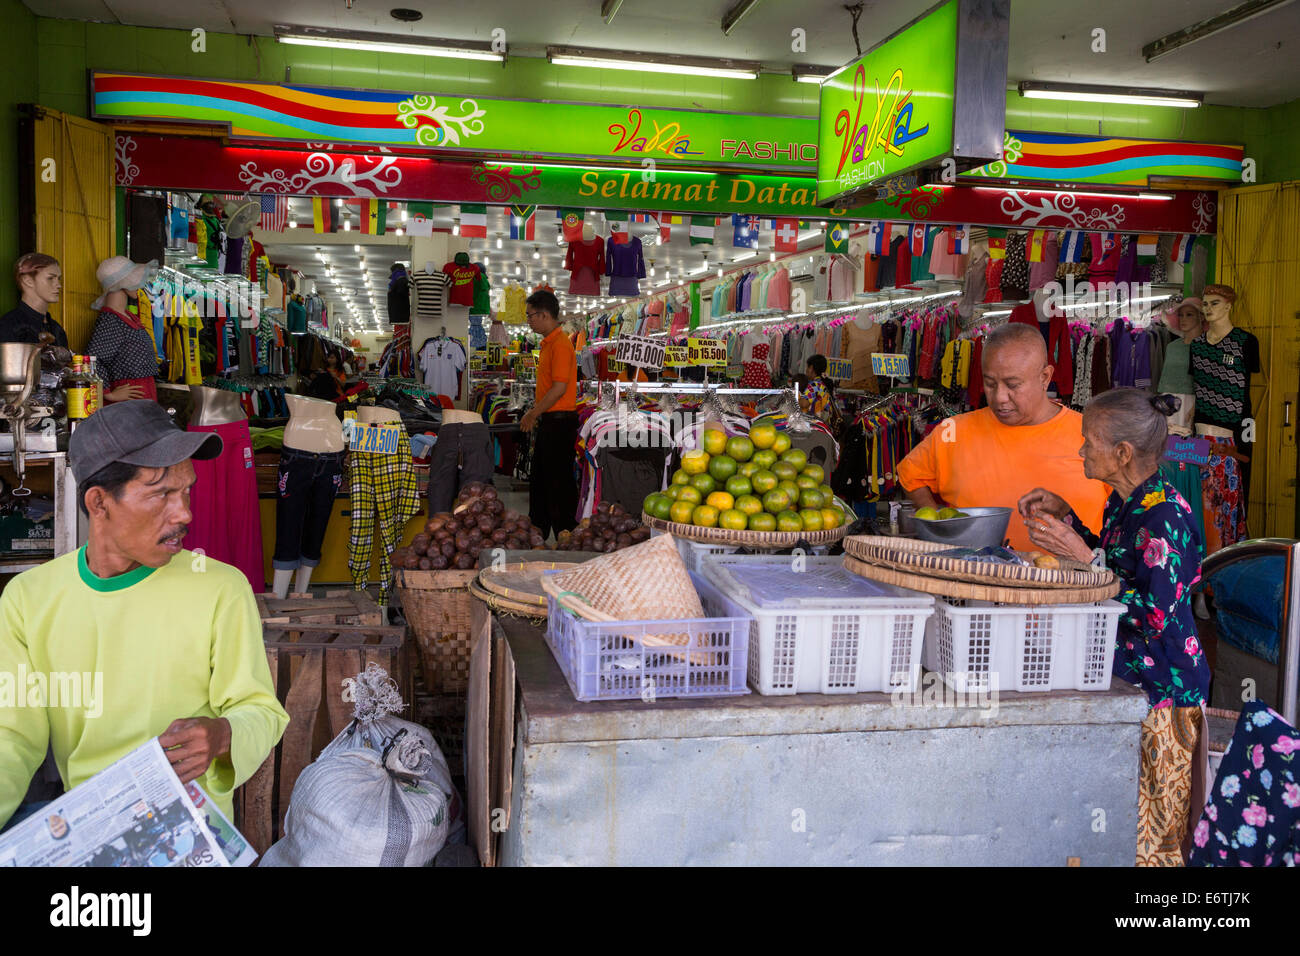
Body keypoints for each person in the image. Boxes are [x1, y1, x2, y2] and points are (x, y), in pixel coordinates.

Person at [0, 400, 289, 831]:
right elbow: (12, 735)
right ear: (99, 503)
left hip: (192, 829)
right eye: (161, 494)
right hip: (87, 826)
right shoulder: (29, 599)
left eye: (186, 490)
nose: (185, 514)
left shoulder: (220, 588)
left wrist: (223, 734)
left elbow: (260, 709)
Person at [1020, 389, 1209, 867]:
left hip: (1165, 697)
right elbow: (1114, 570)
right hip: (1129, 684)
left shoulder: (1163, 514)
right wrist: (1070, 523)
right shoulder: (1127, 504)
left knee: (1155, 840)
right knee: (1120, 826)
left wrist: (1080, 556)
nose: (1081, 451)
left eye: (1089, 442)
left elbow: (1151, 615)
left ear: (1122, 453)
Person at [897, 323, 1108, 550]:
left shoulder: (1093, 435)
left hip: (1074, 582)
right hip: (976, 579)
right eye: (990, 384)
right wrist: (941, 527)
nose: (999, 397)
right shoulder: (953, 431)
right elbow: (910, 476)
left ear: (1045, 377)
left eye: (1013, 385)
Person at [519, 289, 578, 540]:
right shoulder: (548, 344)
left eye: (530, 315)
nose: (529, 320)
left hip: (560, 422)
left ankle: (566, 535)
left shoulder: (561, 344)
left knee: (557, 483)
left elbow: (559, 388)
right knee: (542, 480)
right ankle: (539, 534)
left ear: (544, 314)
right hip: (551, 421)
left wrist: (533, 413)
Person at [87, 255, 161, 402]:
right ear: (121, 283)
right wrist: (108, 394)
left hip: (142, 394)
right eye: (134, 280)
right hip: (129, 401)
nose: (140, 285)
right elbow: (92, 360)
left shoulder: (127, 317)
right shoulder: (110, 320)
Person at [0, 253, 69, 348]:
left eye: (59, 278)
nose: (58, 285)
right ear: (27, 280)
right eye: (50, 278)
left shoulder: (57, 329)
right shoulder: (9, 326)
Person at [799, 354, 838, 424]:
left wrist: (797, 398)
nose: (806, 370)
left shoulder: (815, 385)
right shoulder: (824, 383)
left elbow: (804, 404)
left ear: (811, 368)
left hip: (819, 424)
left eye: (807, 367)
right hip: (827, 423)